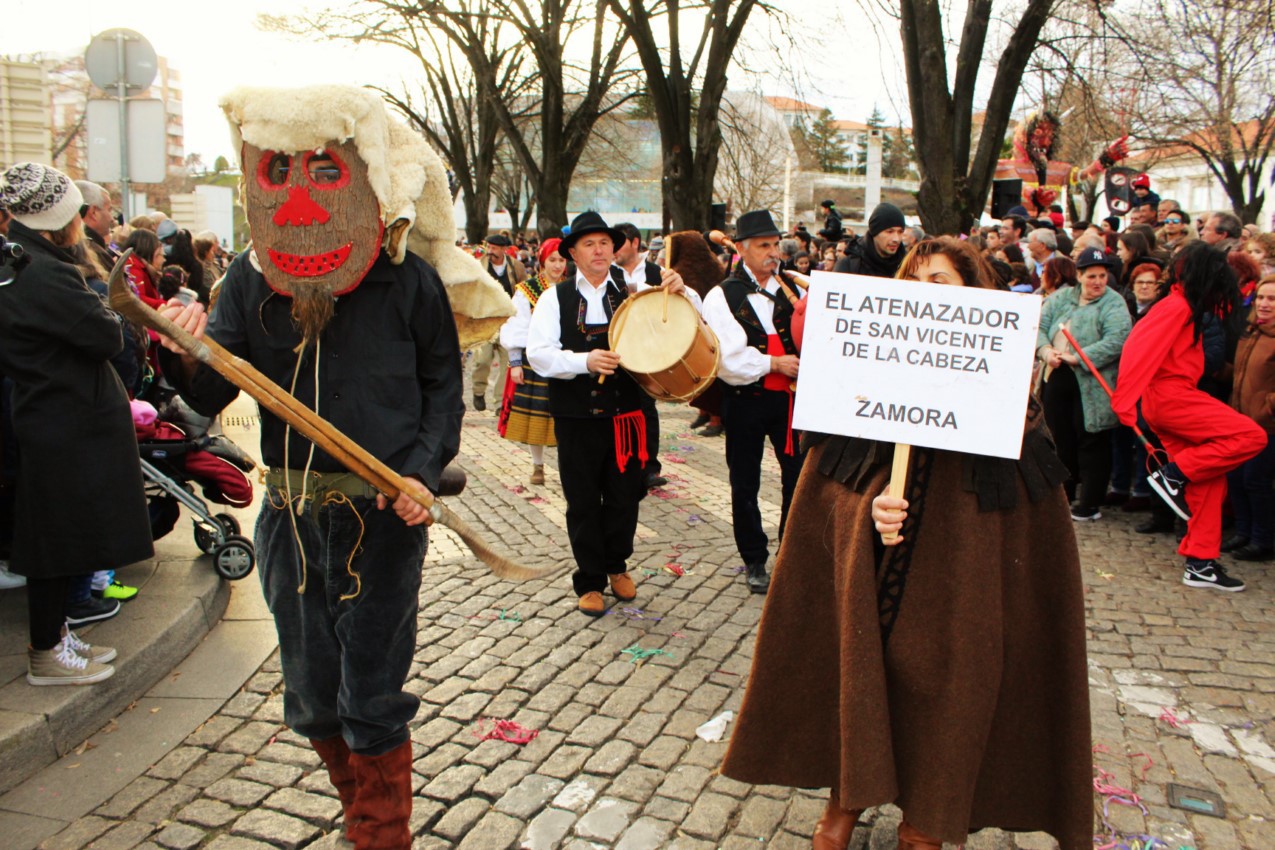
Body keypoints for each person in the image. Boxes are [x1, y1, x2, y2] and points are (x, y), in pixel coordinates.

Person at [155, 85, 510, 850]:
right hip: (288, 516)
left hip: (382, 518)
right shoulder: (251, 278)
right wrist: (187, 352)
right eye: (282, 170)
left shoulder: (407, 277)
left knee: (372, 697)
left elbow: (442, 391)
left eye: (323, 170)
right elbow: (214, 390)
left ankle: (379, 837)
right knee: (312, 701)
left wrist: (418, 474)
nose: (304, 197)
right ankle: (360, 811)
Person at [721, 236, 1092, 850]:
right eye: (913, 282)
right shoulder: (859, 382)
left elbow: (1029, 525)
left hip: (957, 596)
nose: (924, 296)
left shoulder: (1006, 401)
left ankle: (929, 817)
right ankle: (847, 796)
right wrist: (867, 508)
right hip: (876, 584)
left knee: (949, 691)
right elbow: (825, 494)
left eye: (940, 283)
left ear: (973, 295)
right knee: (862, 675)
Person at [0, 162, 153, 684]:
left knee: (61, 536)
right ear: (62, 218)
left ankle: (56, 636)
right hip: (61, 422)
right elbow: (107, 335)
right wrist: (109, 314)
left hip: (53, 418)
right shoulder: (44, 271)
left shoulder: (26, 261)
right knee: (56, 540)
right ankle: (46, 649)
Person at [526, 211, 694, 616]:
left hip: (626, 417)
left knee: (625, 497)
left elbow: (680, 316)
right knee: (582, 500)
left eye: (604, 243)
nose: (599, 250)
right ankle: (590, 580)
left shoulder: (634, 287)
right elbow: (539, 354)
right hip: (577, 418)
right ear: (573, 254)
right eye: (589, 244)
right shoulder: (555, 297)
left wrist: (680, 289)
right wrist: (585, 362)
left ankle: (617, 566)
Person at [1111, 244, 1266, 591]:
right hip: (1172, 398)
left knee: (1210, 483)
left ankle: (1200, 564)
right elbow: (1139, 349)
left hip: (1171, 399)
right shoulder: (1177, 306)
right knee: (1251, 436)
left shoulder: (1185, 305)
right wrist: (1124, 403)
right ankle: (1172, 476)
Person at [702, 210, 804, 595]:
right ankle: (755, 559)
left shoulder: (792, 289)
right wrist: (774, 363)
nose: (773, 253)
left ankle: (792, 554)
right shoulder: (722, 295)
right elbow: (727, 360)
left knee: (797, 478)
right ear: (742, 249)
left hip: (788, 403)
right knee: (745, 482)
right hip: (745, 401)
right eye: (764, 245)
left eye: (776, 244)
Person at [1037, 248, 1133, 521]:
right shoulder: (1061, 298)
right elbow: (1039, 326)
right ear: (1079, 276)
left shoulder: (1113, 304)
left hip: (1092, 381)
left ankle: (1089, 502)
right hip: (1057, 375)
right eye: (1092, 276)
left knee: (1091, 441)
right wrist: (1045, 351)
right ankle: (1062, 496)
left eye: (1102, 276)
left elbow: (1117, 339)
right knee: (1058, 438)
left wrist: (1079, 357)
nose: (1098, 282)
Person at [499, 238, 563, 484]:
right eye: (552, 260)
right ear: (542, 262)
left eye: (561, 260)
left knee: (563, 417)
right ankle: (538, 466)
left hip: (564, 360)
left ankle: (567, 466)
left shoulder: (572, 287)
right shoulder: (528, 290)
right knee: (537, 416)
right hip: (534, 360)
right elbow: (517, 326)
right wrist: (515, 362)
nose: (557, 266)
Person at [1224, 275, 1275, 561]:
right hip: (1239, 421)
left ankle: (1262, 539)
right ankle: (1244, 532)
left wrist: (1266, 407)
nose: (1264, 304)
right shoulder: (1251, 331)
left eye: (1271, 299)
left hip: (1266, 425)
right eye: (1261, 298)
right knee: (1237, 478)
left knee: (1257, 481)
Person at [613, 222, 666, 489]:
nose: (613, 250)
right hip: (615, 348)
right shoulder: (606, 273)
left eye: (618, 243)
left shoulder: (659, 272)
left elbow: (680, 304)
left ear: (635, 243)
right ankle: (619, 464)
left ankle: (649, 467)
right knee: (617, 407)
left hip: (648, 349)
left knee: (647, 408)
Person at [470, 234, 524, 411]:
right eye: (489, 247)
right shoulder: (478, 266)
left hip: (507, 320)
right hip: (484, 321)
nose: (490, 251)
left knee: (506, 361)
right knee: (483, 360)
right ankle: (478, 391)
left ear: (503, 249)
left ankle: (500, 403)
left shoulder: (516, 266)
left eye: (494, 248)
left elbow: (524, 289)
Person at [835, 202, 906, 278]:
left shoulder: (909, 265)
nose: (896, 239)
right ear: (874, 232)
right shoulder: (849, 265)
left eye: (900, 232)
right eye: (889, 232)